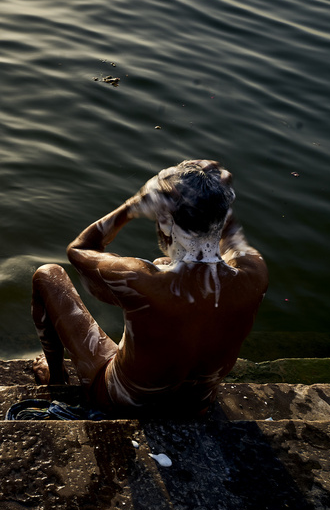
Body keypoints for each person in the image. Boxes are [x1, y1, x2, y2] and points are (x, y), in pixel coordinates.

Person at [30, 159, 268, 417]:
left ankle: (55, 377)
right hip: (196, 405)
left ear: (165, 219)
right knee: (163, 263)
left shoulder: (141, 279)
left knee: (47, 275)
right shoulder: (255, 273)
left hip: (124, 401)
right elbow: (231, 234)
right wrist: (214, 197)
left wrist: (135, 204)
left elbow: (79, 249)